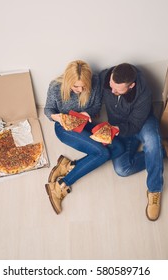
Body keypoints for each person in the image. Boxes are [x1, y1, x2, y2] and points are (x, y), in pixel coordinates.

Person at [99, 63, 168, 221]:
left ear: (131, 86)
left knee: (151, 141)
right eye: (111, 85)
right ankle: (163, 150)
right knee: (122, 169)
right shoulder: (105, 77)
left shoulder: (143, 93)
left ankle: (155, 190)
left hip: (141, 122)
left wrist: (116, 130)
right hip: (119, 127)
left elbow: (135, 125)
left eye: (118, 90)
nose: (113, 91)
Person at [44, 60, 123, 215]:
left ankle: (69, 166)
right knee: (103, 153)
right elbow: (47, 110)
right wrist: (57, 117)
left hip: (85, 123)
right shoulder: (55, 87)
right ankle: (60, 186)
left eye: (83, 86)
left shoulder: (95, 83)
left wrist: (88, 113)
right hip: (64, 127)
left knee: (119, 147)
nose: (80, 90)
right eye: (75, 86)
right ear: (68, 81)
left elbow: (95, 107)